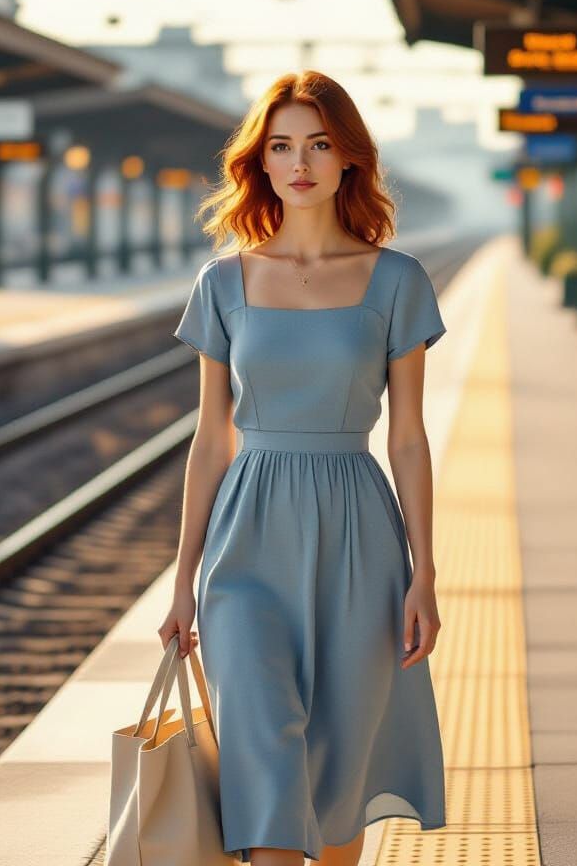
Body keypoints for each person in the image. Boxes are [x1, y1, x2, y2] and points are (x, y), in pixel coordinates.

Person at [160, 70, 447, 866]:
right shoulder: (223, 283)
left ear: (348, 158)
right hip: (245, 542)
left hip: (360, 533)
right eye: (282, 145)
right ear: (261, 161)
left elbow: (410, 440)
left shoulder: (397, 280)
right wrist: (182, 581)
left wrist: (425, 574)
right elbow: (210, 440)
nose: (301, 162)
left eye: (319, 144)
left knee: (338, 768)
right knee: (262, 749)